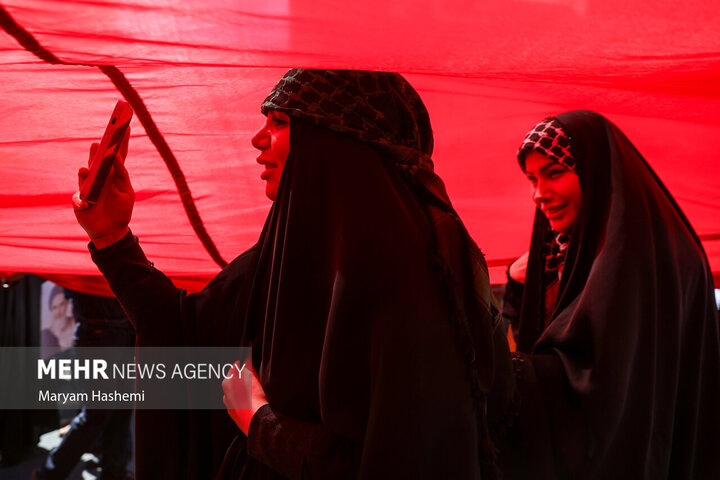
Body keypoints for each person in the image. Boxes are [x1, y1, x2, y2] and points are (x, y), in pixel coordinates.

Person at [72, 69, 515, 480]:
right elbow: (187, 334)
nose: (256, 139)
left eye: (281, 122)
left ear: (335, 139)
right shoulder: (290, 248)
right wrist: (113, 238)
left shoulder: (415, 272)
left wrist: (261, 423)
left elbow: (405, 461)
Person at [500, 110, 720, 479]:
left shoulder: (638, 261)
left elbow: (604, 384)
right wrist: (521, 290)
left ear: (596, 174)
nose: (539, 194)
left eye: (554, 173)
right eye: (532, 179)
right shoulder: (569, 254)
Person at [33, 292, 135, 480]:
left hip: (125, 327)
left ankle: (114, 471)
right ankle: (48, 474)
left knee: (121, 408)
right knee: (96, 412)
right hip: (100, 330)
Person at [42, 285, 75, 350]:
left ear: (66, 304)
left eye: (61, 304)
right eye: (55, 307)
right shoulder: (47, 333)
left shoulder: (75, 323)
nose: (59, 311)